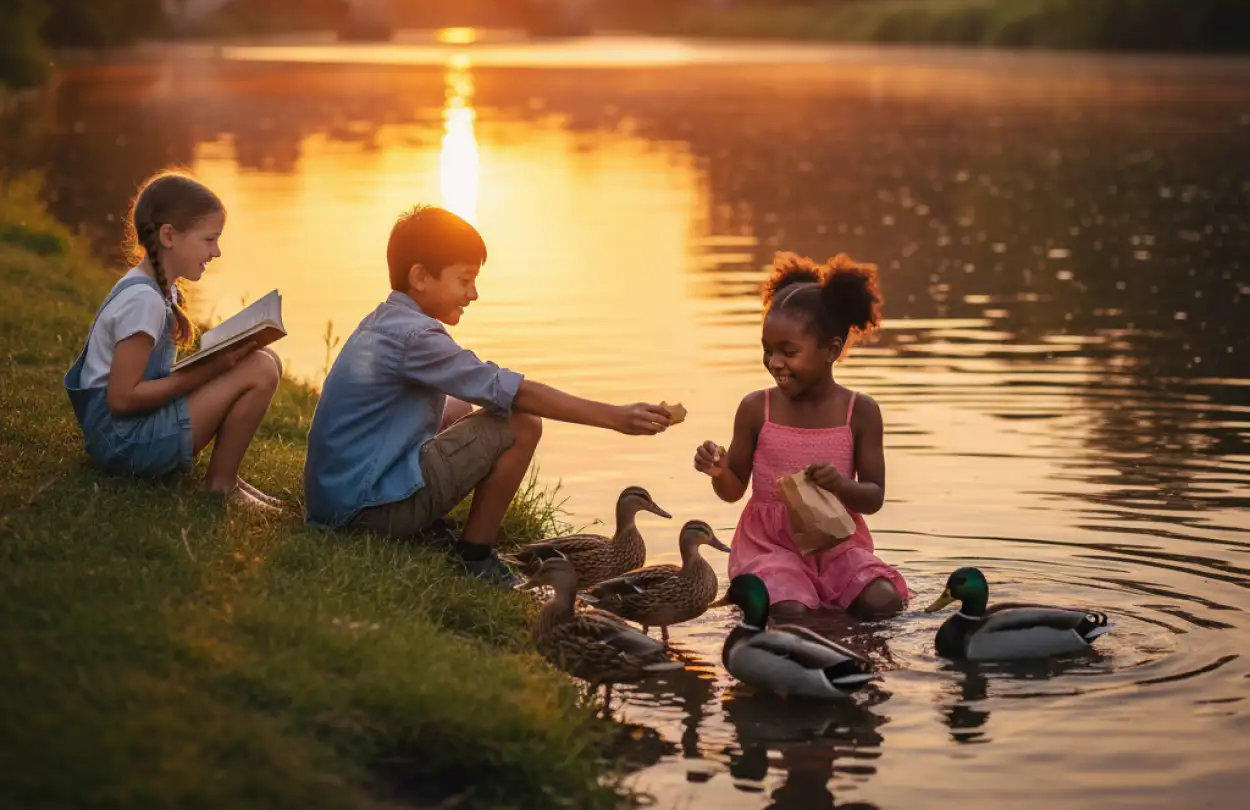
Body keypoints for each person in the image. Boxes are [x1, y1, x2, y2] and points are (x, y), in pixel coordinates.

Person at [303, 204, 672, 586]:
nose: (473, 293)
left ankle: (425, 524)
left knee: (461, 404)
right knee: (521, 422)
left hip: (335, 501)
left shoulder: (385, 320)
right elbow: (512, 392)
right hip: (365, 513)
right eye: (464, 280)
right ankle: (474, 556)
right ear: (421, 277)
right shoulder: (417, 339)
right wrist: (614, 417)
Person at [694, 252, 908, 619]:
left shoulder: (861, 412)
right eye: (767, 350)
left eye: (788, 352)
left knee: (883, 601)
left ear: (832, 350)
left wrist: (840, 485)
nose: (774, 362)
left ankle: (849, 662)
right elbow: (733, 490)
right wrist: (718, 471)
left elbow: (873, 497)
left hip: (837, 544)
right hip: (769, 547)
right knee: (789, 608)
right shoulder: (755, 409)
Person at [64, 171, 282, 509]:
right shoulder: (144, 301)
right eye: (209, 240)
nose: (217, 252)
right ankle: (220, 485)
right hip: (124, 443)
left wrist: (214, 363)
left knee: (265, 360)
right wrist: (210, 370)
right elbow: (122, 399)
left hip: (127, 431)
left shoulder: (160, 289)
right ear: (169, 235)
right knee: (261, 370)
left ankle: (228, 479)